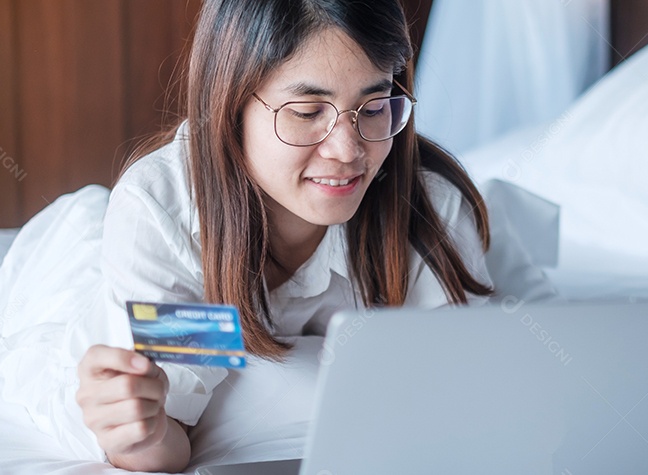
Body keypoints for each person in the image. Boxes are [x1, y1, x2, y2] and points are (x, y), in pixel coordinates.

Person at [73, 0, 496, 471]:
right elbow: (172, 437)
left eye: (374, 107)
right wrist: (140, 436)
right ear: (230, 104)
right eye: (307, 111)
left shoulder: (429, 209)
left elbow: (459, 408)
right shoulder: (166, 216)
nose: (348, 150)